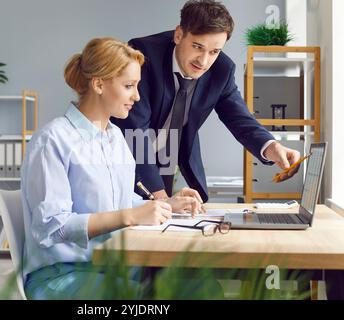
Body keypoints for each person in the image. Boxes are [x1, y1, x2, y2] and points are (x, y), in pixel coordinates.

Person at [20, 37, 206, 300]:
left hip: (115, 267)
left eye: (137, 86)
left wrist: (165, 204)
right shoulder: (52, 140)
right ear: (98, 84)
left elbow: (116, 201)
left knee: (202, 288)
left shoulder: (114, 136)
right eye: (129, 86)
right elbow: (54, 226)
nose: (137, 96)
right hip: (64, 275)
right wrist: (131, 216)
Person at [112, 0, 301, 201]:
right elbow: (134, 131)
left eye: (214, 52)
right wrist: (161, 199)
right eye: (197, 47)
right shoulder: (144, 55)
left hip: (166, 164)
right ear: (178, 35)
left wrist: (272, 147)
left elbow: (240, 119)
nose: (203, 61)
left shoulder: (222, 70)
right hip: (125, 162)